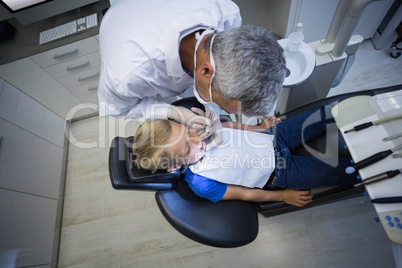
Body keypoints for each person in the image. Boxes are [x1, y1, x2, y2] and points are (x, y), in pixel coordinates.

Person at [98, 0, 286, 137]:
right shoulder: (128, 75)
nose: (220, 111)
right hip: (124, 18)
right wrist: (174, 112)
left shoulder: (227, 14)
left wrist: (212, 108)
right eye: (222, 107)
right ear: (205, 71)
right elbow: (119, 109)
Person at [131, 106, 359, 207]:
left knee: (326, 114)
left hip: (273, 138)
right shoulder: (201, 182)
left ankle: (357, 114)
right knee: (345, 170)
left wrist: (259, 129)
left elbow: (229, 126)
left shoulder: (202, 130)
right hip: (279, 172)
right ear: (174, 167)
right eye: (187, 149)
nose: (197, 139)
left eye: (188, 131)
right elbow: (245, 194)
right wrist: (282, 196)